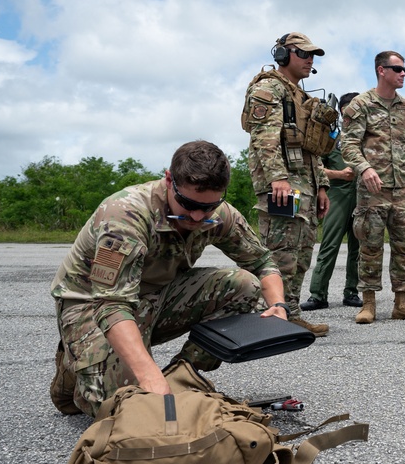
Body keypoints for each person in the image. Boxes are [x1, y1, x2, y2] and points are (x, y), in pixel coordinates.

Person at [49, 140, 288, 417]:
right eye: (187, 204)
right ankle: (75, 365)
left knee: (244, 285)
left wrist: (279, 306)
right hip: (93, 303)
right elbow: (111, 303)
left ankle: (181, 377)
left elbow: (261, 261)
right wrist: (149, 376)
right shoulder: (125, 215)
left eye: (209, 206)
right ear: (168, 180)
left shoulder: (220, 215)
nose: (198, 216)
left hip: (156, 297)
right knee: (124, 408)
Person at [242, 32, 332, 336]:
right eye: (303, 54)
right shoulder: (269, 88)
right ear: (283, 55)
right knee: (279, 251)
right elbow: (264, 138)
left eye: (312, 56)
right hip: (283, 184)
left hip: (304, 184)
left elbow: (312, 149)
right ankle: (267, 312)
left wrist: (321, 186)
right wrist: (277, 179)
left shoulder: (300, 96)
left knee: (302, 251)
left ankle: (290, 311)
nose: (310, 60)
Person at [340, 50, 405, 324]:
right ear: (382, 70)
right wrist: (365, 168)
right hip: (373, 190)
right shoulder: (361, 105)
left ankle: (402, 302)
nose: (403, 73)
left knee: (404, 247)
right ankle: (368, 304)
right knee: (370, 245)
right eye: (398, 69)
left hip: (403, 189)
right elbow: (348, 144)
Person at [300, 92, 363, 311]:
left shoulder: (366, 136)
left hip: (362, 195)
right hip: (337, 195)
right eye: (351, 107)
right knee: (329, 245)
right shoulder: (330, 135)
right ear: (343, 110)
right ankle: (318, 295)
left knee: (358, 248)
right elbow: (315, 167)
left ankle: (352, 292)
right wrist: (338, 174)